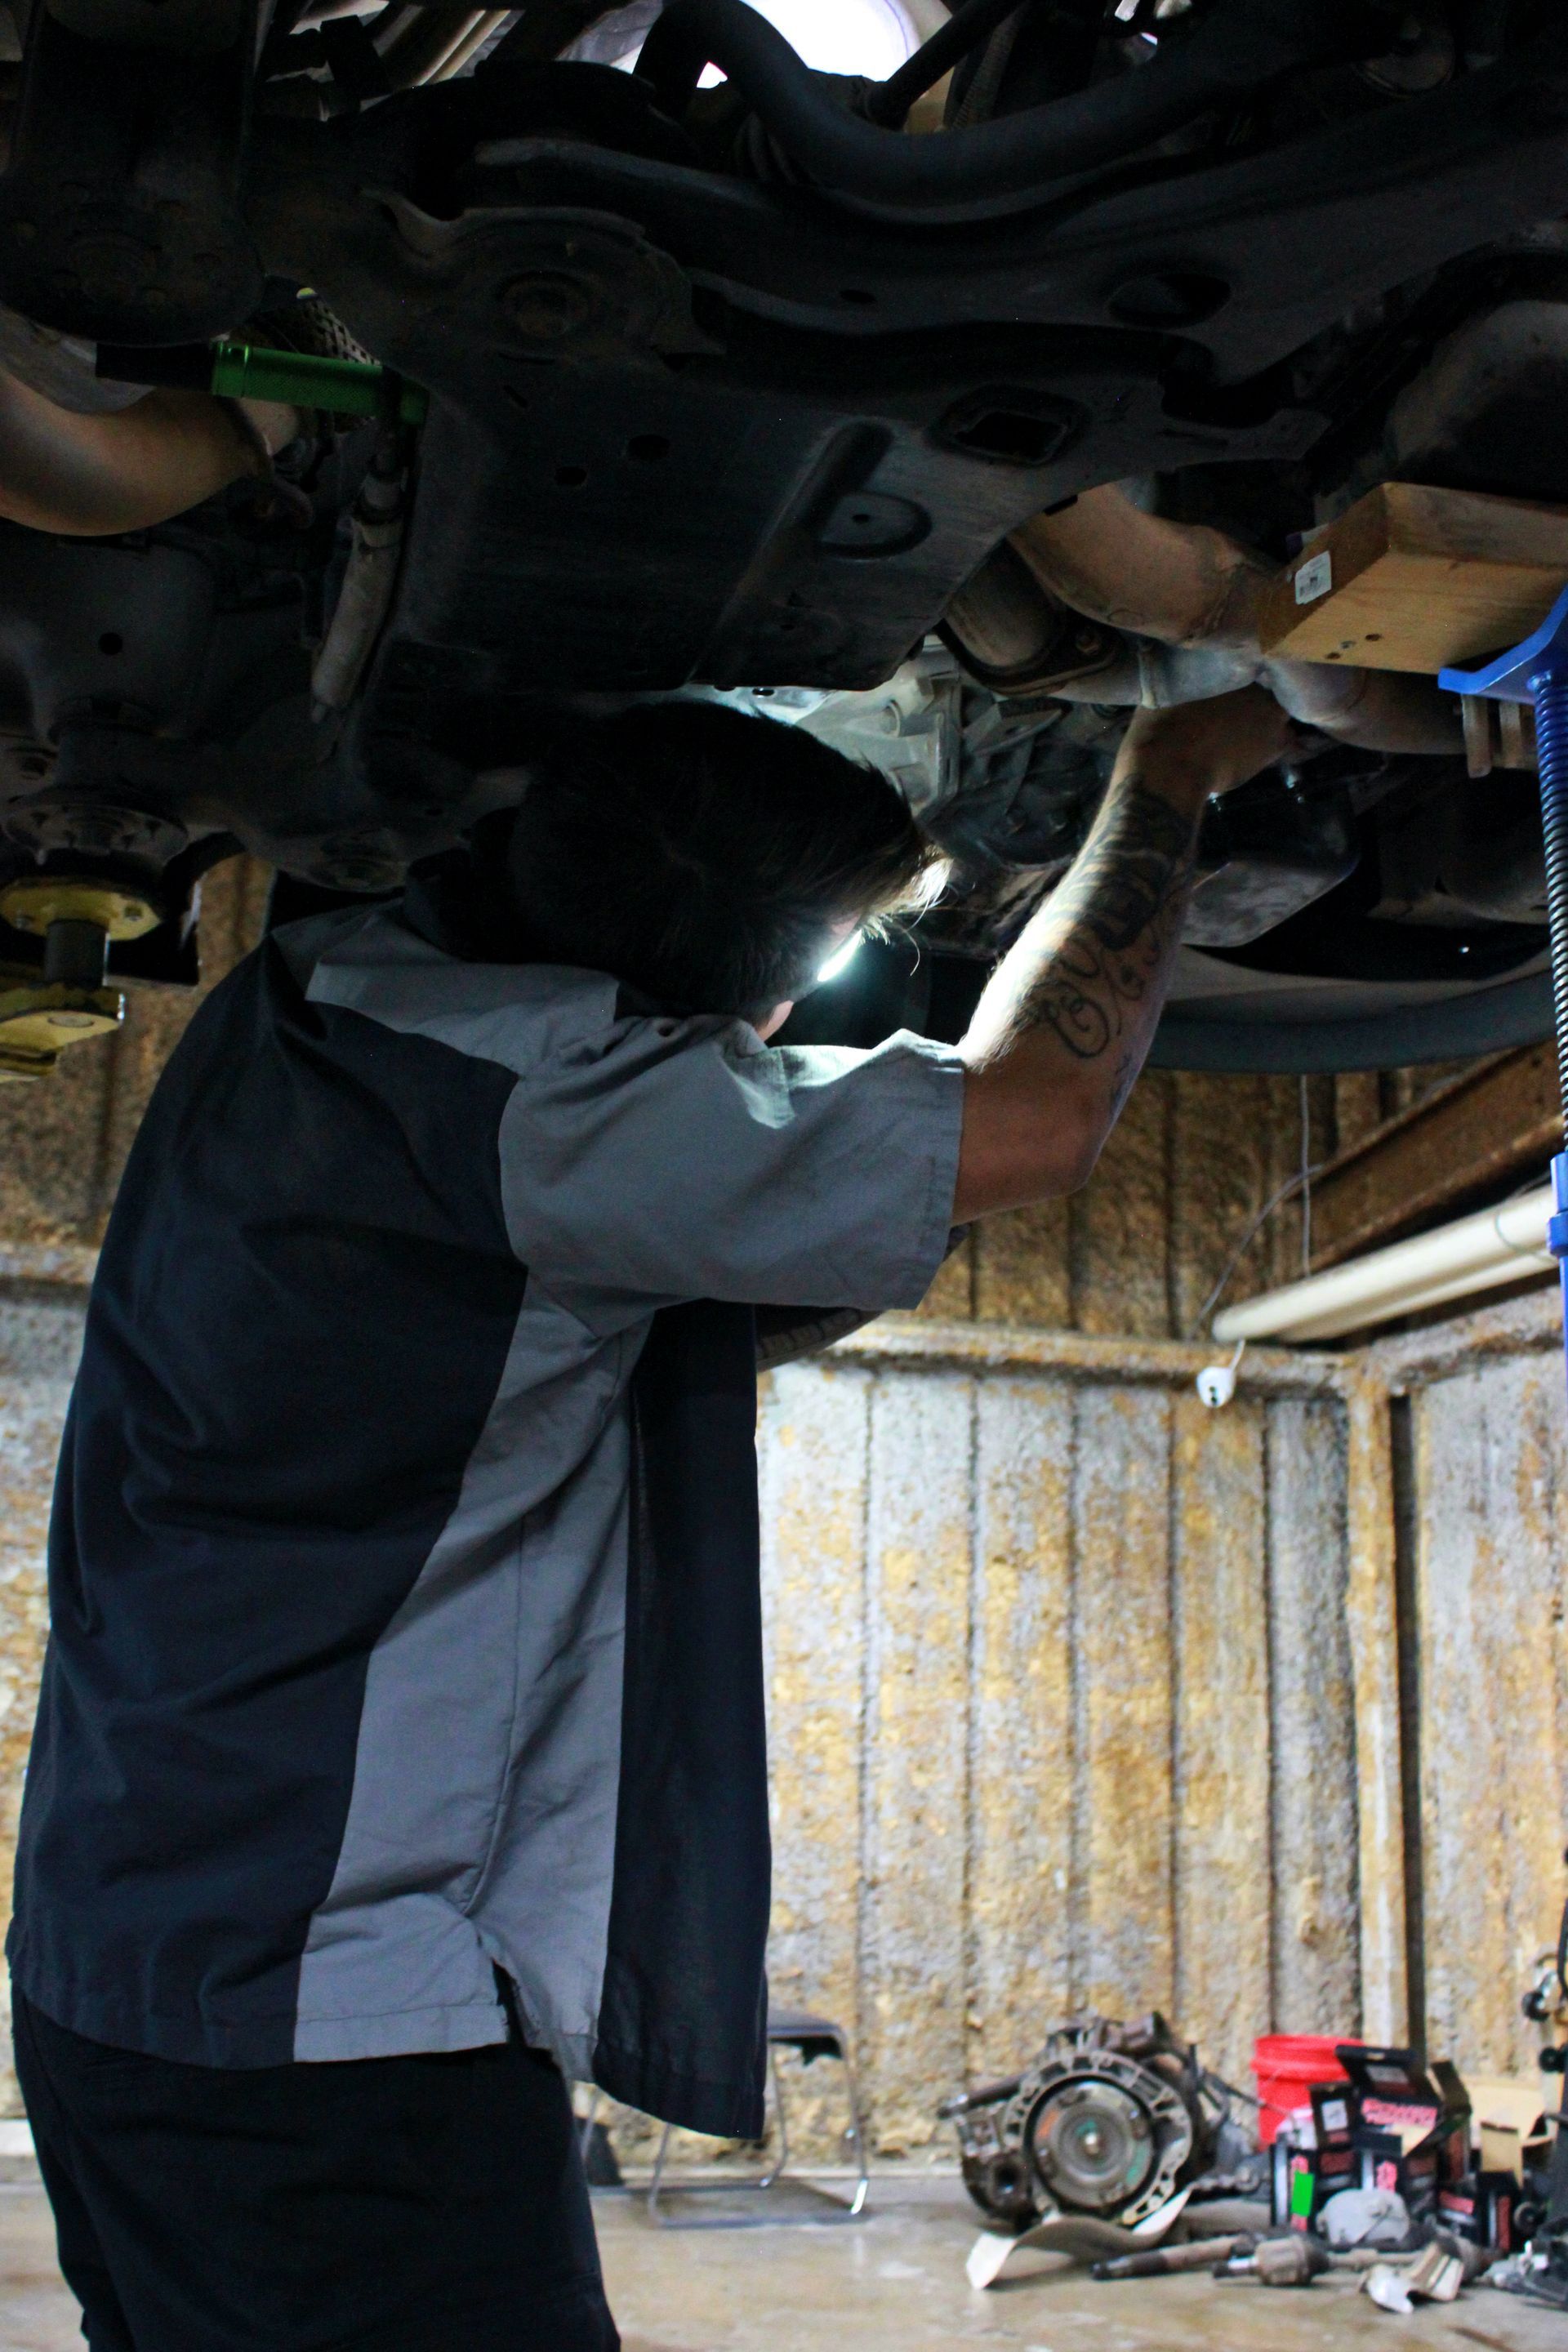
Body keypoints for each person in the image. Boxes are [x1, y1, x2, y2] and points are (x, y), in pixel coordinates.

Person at [7, 683, 1290, 2350]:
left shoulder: (314, 1001)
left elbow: (651, 1284)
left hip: (119, 1976)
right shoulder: (549, 1113)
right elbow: (1038, 1113)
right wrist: (1171, 767)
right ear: (730, 992)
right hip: (324, 2029)